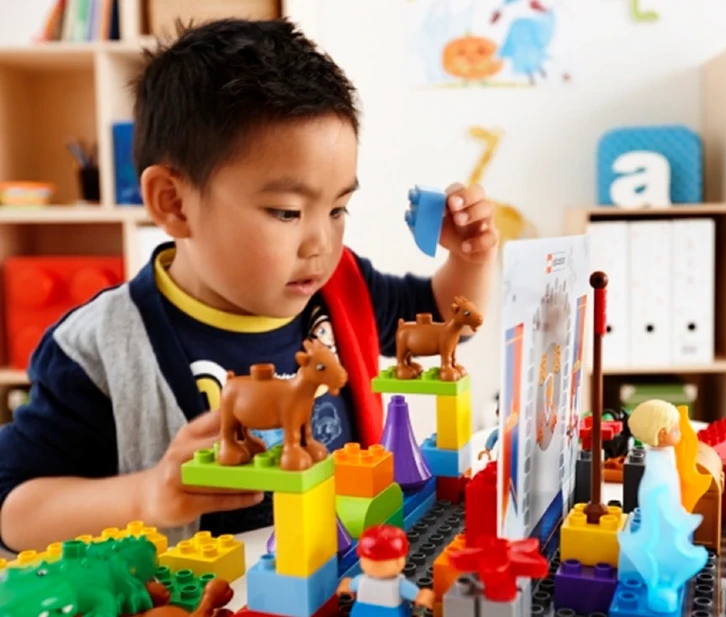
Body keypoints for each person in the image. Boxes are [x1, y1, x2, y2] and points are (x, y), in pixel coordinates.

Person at [0, 18, 498, 553]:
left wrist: (470, 255)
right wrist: (148, 495)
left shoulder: (343, 284)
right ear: (173, 202)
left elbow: (446, 319)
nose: (320, 244)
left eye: (337, 209)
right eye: (286, 212)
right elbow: (14, 510)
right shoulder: (98, 348)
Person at [337, 525, 434, 616]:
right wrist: (422, 596)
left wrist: (421, 596)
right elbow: (348, 585)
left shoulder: (363, 580)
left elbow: (348, 584)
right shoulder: (396, 584)